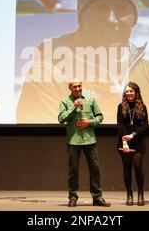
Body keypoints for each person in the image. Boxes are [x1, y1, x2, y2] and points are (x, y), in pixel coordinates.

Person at [17, 0, 149, 125]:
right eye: (101, 9)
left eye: (122, 10)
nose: (111, 20)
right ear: (82, 17)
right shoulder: (48, 73)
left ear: (133, 19)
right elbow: (42, 143)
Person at [58, 79, 110, 207]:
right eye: (74, 87)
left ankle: (97, 197)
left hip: (89, 139)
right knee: (73, 170)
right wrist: (73, 107)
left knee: (95, 168)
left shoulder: (90, 99)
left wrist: (89, 122)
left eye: (79, 86)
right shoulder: (65, 102)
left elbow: (100, 116)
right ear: (70, 88)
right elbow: (61, 119)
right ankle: (73, 197)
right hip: (73, 140)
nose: (77, 89)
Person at [117, 82, 149, 206]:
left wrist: (133, 135)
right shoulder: (121, 106)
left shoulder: (142, 106)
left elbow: (146, 126)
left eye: (131, 91)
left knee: (137, 166)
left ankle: (140, 194)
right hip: (124, 141)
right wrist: (125, 141)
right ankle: (129, 194)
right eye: (127, 91)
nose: (129, 93)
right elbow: (120, 125)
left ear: (136, 93)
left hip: (138, 141)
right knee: (126, 168)